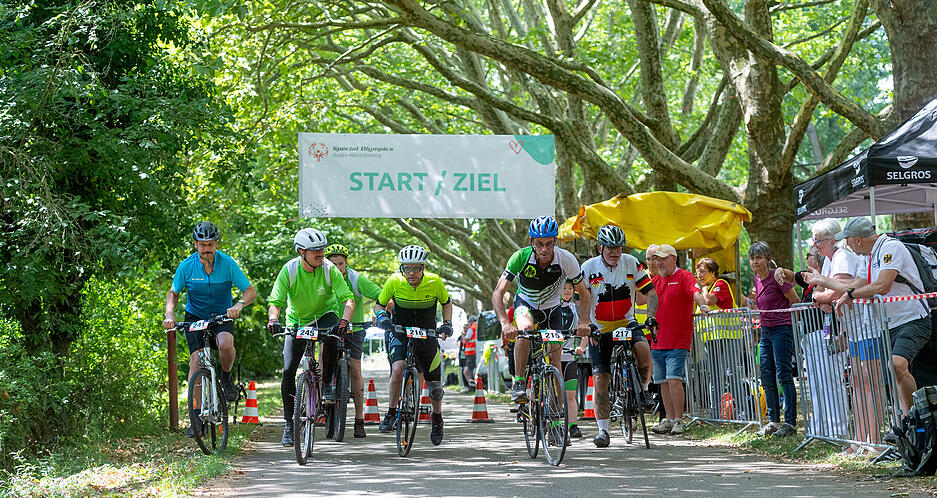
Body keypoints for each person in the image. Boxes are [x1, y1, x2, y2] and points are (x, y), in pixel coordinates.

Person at [826, 217, 931, 419]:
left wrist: (849, 295)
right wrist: (820, 281)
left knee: (897, 365)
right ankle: (907, 424)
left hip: (913, 318)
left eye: (846, 240)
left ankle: (918, 418)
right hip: (889, 324)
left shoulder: (891, 248)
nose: (845, 245)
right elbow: (854, 285)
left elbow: (882, 286)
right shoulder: (867, 257)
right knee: (893, 374)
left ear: (857, 240)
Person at [163, 221, 256, 438]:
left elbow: (249, 291)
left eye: (211, 244)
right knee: (196, 362)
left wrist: (238, 305)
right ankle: (196, 418)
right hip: (195, 317)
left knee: (225, 344)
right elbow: (173, 293)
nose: (207, 249)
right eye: (203, 245)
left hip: (223, 315)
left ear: (216, 244)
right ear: (195, 245)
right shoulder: (186, 266)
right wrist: (169, 314)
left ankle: (226, 377)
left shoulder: (227, 263)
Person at [266, 228, 355, 446]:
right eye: (315, 250)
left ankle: (326, 385)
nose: (320, 253)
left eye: (322, 249)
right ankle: (289, 424)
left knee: (333, 335)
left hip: (325, 315)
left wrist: (344, 321)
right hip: (297, 321)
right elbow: (275, 302)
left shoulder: (329, 269)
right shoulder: (290, 270)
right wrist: (273, 320)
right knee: (288, 371)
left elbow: (348, 300)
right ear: (301, 252)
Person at [491, 216, 593, 405]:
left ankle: (556, 418)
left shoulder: (566, 259)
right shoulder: (520, 257)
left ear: (555, 241)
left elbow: (584, 294)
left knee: (556, 361)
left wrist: (584, 321)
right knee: (526, 329)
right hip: (525, 305)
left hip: (553, 309)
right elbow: (498, 293)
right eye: (539, 244)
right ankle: (519, 383)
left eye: (549, 244)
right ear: (531, 242)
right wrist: (505, 324)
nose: (544, 249)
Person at [581, 225, 658, 447]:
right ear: (600, 248)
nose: (615, 252)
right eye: (610, 248)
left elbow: (650, 292)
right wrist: (586, 324)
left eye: (619, 247)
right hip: (600, 327)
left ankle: (643, 392)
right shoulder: (588, 268)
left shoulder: (632, 263)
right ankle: (603, 430)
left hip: (627, 321)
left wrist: (651, 317)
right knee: (600, 379)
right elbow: (580, 300)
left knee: (644, 350)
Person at [375, 245, 453, 446]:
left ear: (423, 267)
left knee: (435, 386)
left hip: (427, 334)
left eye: (416, 268)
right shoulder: (394, 281)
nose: (411, 273)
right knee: (398, 368)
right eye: (406, 268)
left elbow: (446, 303)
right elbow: (379, 304)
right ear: (401, 268)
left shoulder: (435, 282)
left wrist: (447, 323)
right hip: (400, 331)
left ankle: (437, 418)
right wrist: (382, 316)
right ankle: (391, 412)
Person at [648, 244, 710, 435]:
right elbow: (646, 301)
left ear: (674, 258)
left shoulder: (684, 276)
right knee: (662, 382)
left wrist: (703, 306)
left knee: (674, 379)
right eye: (657, 259)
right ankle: (668, 419)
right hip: (657, 340)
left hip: (677, 340)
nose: (659, 262)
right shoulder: (656, 281)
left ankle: (678, 420)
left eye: (663, 258)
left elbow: (696, 292)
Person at [324, 243, 383, 439]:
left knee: (355, 368)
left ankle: (359, 420)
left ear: (346, 263)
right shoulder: (322, 277)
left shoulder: (356, 278)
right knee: (323, 359)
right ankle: (322, 399)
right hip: (329, 327)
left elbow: (380, 295)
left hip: (354, 328)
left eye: (341, 264)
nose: (337, 268)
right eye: (333, 264)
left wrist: (379, 313)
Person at [749, 241, 800, 437]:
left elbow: (794, 300)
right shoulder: (757, 279)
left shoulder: (777, 277)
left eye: (759, 257)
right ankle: (773, 421)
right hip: (766, 331)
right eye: (752, 258)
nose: (755, 261)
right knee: (766, 374)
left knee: (784, 374)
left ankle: (789, 423)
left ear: (768, 259)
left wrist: (791, 326)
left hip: (782, 329)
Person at [559, 281, 588, 441]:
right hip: (553, 357)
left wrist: (581, 347)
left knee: (570, 395)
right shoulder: (552, 306)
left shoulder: (575, 308)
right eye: (564, 288)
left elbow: (585, 330)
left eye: (570, 288)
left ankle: (572, 425)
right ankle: (553, 423)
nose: (567, 291)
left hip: (570, 357)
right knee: (555, 395)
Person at [462, 315, 478, 392]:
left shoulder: (472, 328)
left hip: (470, 352)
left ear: (472, 321)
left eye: (469, 321)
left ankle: (472, 385)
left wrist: (463, 336)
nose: (469, 323)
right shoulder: (479, 326)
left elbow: (467, 339)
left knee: (470, 369)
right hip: (476, 351)